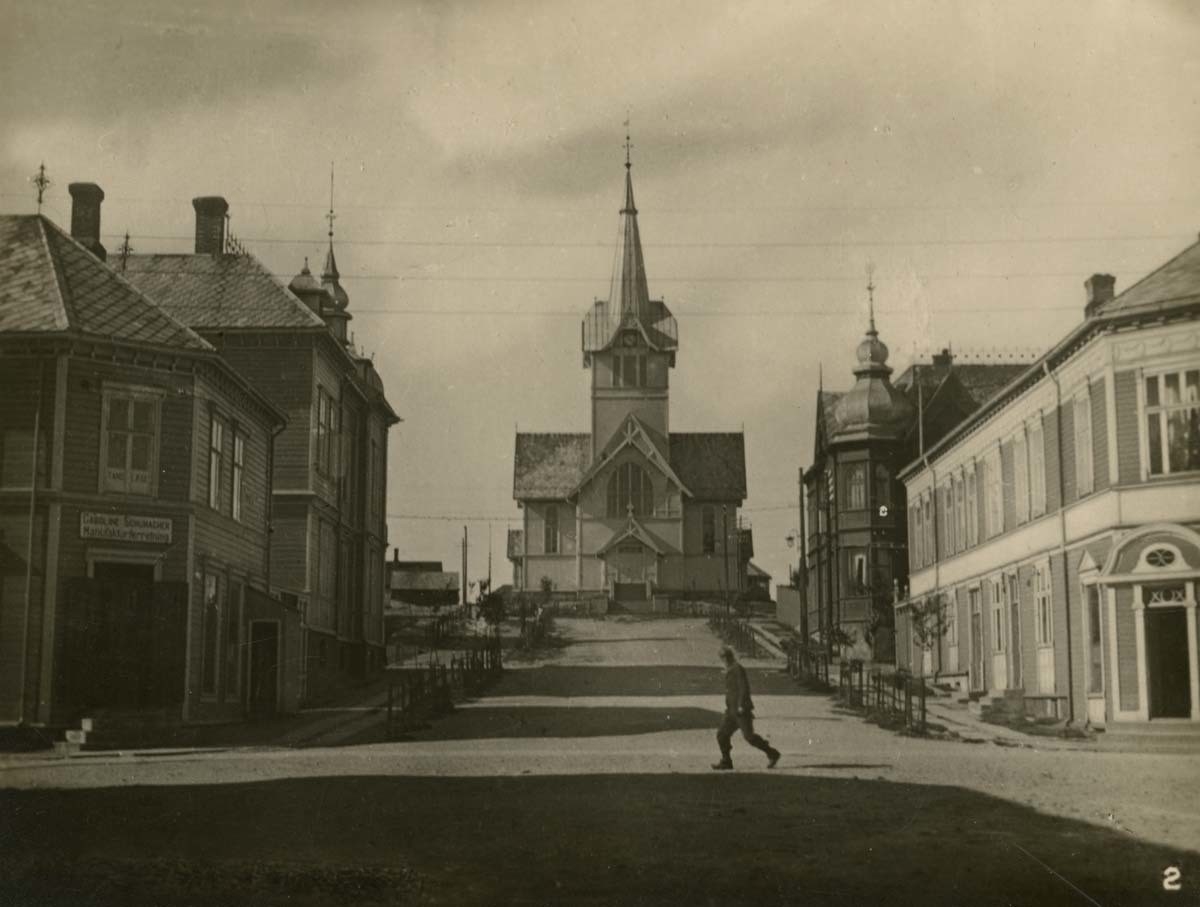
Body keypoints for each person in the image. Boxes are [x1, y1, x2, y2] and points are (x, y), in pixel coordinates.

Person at [712, 645, 781, 770]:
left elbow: (744, 688)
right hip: (731, 712)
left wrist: (741, 705)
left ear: (730, 656)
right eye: (722, 657)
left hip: (741, 711)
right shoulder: (729, 670)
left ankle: (772, 753)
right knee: (722, 734)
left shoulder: (738, 669)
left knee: (749, 737)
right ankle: (726, 761)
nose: (724, 660)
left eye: (726, 657)